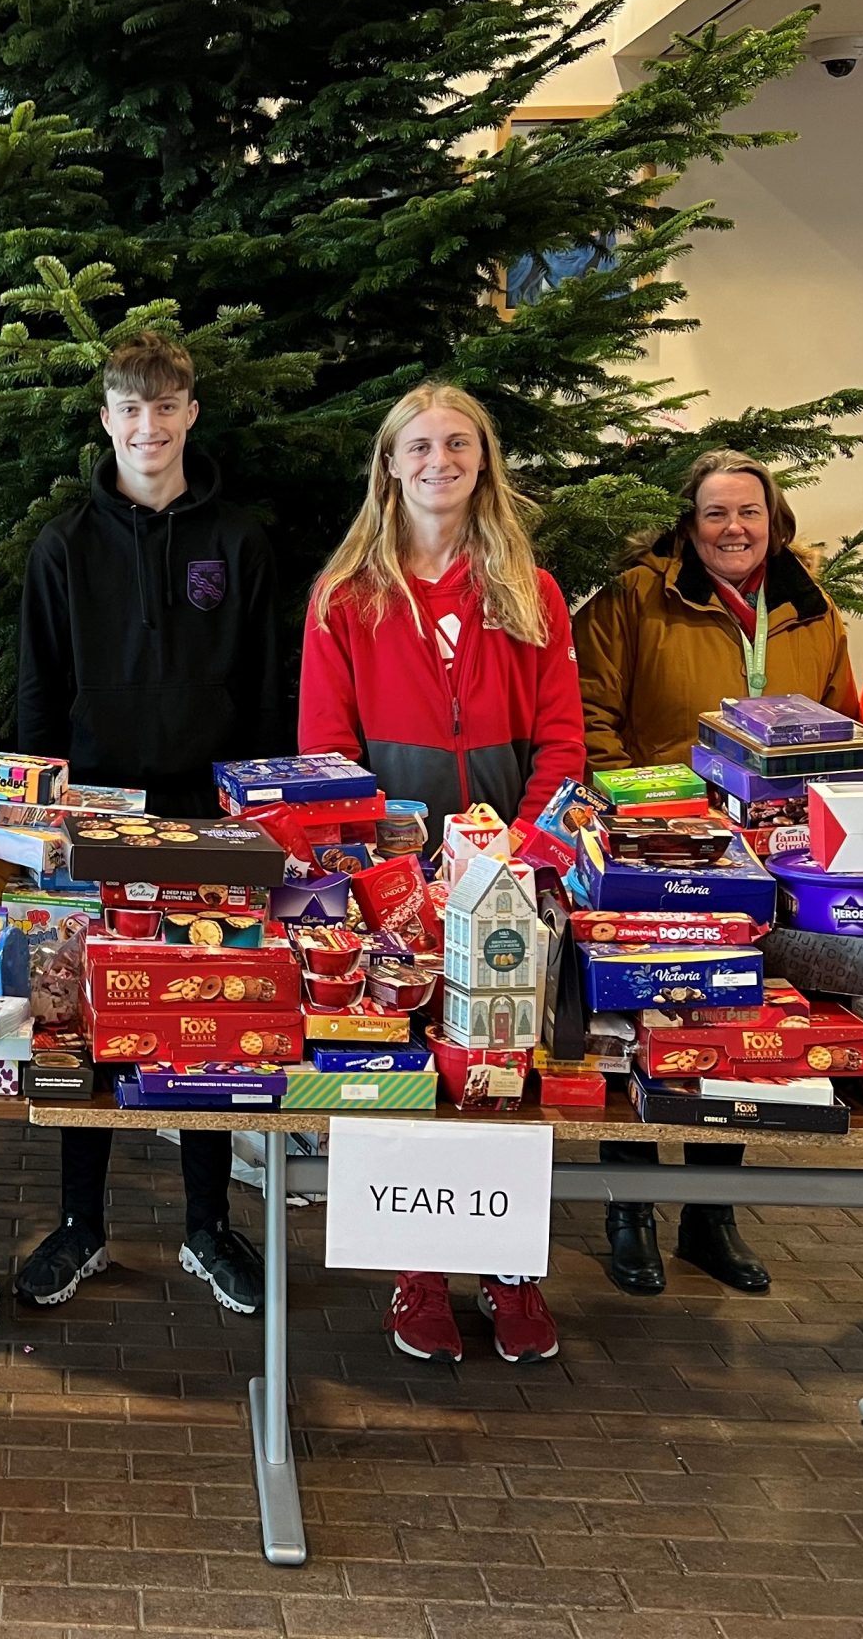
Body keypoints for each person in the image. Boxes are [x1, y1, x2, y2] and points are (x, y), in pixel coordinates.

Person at [299, 382, 583, 1365]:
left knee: (504, 1065)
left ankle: (511, 1271)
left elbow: (561, 740)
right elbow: (324, 753)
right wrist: (376, 865)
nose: (436, 460)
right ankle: (414, 1271)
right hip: (390, 868)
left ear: (481, 461)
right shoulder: (346, 595)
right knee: (414, 1069)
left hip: (505, 862)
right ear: (389, 463)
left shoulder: (529, 591)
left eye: (455, 443)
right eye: (416, 445)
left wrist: (525, 850)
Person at [12, 331, 287, 1318]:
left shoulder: (239, 539)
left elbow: (266, 688)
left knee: (206, 1020)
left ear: (191, 414)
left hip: (207, 816)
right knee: (83, 1017)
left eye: (165, 405)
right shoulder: (62, 545)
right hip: (94, 814)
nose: (148, 425)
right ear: (106, 421)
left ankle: (208, 1225)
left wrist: (252, 811)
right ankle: (81, 1223)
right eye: (130, 408)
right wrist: (43, 814)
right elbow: (39, 691)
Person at [573, 449, 860, 1301]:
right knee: (641, 1015)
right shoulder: (635, 599)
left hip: (765, 855)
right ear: (687, 526)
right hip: (658, 849)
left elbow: (840, 728)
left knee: (735, 1020)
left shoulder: (813, 611)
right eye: (715, 514)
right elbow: (592, 713)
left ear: (776, 523)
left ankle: (710, 1211)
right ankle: (629, 1209)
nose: (734, 529)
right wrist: (641, 819)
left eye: (750, 513)